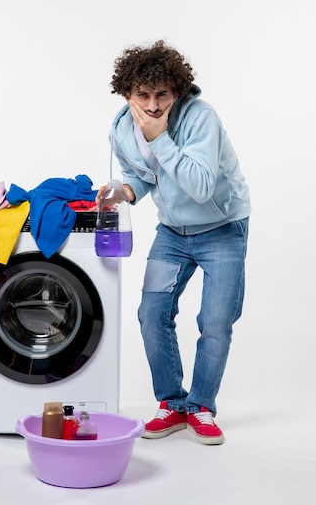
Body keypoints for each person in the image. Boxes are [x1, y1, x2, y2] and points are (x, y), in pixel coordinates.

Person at [98, 40, 250, 445]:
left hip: (222, 226)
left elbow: (200, 187)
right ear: (127, 93)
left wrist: (160, 136)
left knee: (215, 322)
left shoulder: (201, 118)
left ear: (177, 91)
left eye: (161, 94)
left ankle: (201, 406)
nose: (152, 106)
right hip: (172, 233)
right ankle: (172, 403)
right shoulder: (121, 129)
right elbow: (148, 174)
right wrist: (125, 189)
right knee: (152, 313)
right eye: (142, 95)